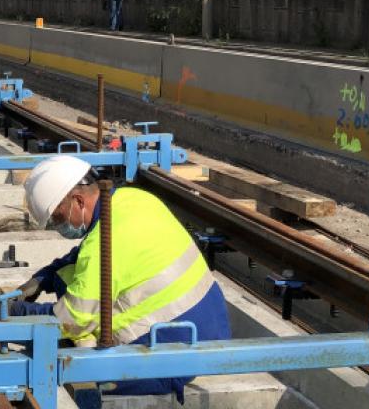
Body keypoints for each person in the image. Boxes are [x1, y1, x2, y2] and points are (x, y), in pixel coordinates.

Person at [15, 155, 230, 406]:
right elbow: (85, 254)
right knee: (69, 279)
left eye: (58, 218)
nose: (57, 226)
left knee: (67, 365)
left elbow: (71, 320)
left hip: (169, 357)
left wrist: (21, 313)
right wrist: (47, 275)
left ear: (78, 200)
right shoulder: (134, 199)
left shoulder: (101, 248)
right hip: (210, 326)